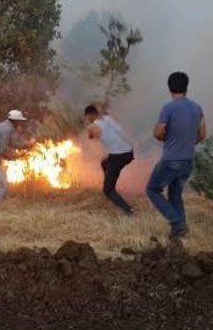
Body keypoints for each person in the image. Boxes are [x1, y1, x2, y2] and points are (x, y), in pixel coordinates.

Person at [145, 72, 206, 239]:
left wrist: (167, 138)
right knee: (175, 193)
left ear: (169, 88)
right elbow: (202, 134)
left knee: (152, 190)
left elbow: (158, 133)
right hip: (188, 160)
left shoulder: (168, 108)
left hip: (171, 159)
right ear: (187, 87)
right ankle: (180, 231)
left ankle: (177, 223)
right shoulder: (197, 108)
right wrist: (188, 142)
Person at [84, 104, 135, 215]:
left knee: (107, 190)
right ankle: (110, 184)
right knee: (104, 163)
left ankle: (129, 211)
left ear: (89, 115)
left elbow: (90, 136)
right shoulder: (108, 118)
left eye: (87, 118)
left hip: (118, 157)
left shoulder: (92, 127)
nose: (87, 120)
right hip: (129, 152)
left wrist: (91, 126)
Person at [0, 109, 30, 215]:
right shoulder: (6, 130)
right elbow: (3, 151)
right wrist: (15, 157)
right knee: (3, 185)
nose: (21, 123)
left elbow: (11, 143)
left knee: (3, 184)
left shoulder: (5, 127)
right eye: (19, 121)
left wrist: (25, 146)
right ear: (15, 121)